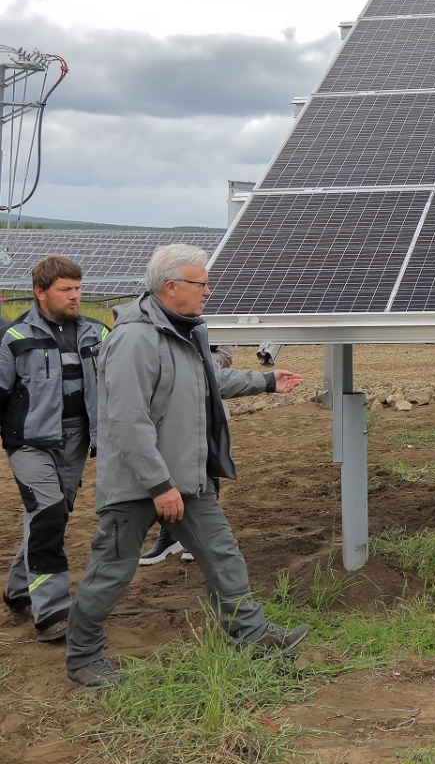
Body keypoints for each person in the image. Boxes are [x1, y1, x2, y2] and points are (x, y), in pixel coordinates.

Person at [65, 244, 309, 688]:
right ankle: (83, 657)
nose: (209, 292)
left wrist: (267, 381)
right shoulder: (135, 339)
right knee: (112, 570)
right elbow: (126, 420)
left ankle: (252, 637)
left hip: (188, 479)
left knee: (222, 555)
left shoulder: (184, 331)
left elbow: (208, 381)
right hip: (141, 484)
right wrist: (159, 485)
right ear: (171, 286)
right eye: (201, 283)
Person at [0, 255, 109, 643]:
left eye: (78, 288)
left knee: (52, 515)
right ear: (40, 293)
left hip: (77, 439)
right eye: (66, 290)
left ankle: (17, 590)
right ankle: (52, 612)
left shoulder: (98, 334)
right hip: (29, 443)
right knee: (46, 514)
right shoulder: (13, 338)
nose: (75, 296)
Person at [138, 344, 233, 565]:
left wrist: (191, 365)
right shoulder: (153, 321)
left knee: (205, 472)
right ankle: (170, 537)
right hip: (167, 415)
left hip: (205, 412)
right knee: (168, 472)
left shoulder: (205, 320)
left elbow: (226, 357)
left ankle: (199, 538)